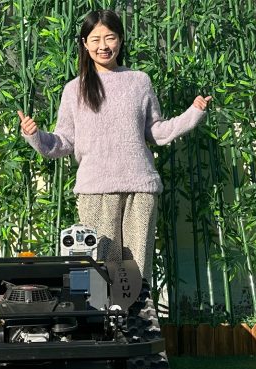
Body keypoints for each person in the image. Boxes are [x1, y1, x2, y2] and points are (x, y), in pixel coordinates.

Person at [18, 9, 211, 285]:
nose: (103, 46)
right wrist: (34, 135)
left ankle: (139, 314)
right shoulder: (74, 89)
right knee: (102, 271)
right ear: (84, 43)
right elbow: (63, 141)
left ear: (120, 39)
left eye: (110, 38)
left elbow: (156, 132)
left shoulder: (139, 81)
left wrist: (193, 113)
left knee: (137, 272)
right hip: (96, 191)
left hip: (139, 187)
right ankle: (106, 316)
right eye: (95, 39)